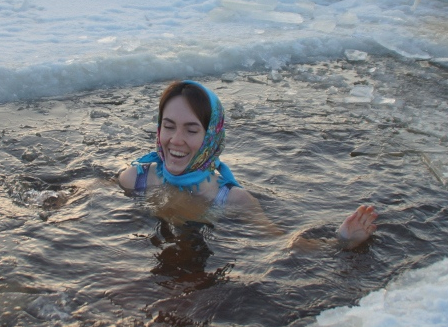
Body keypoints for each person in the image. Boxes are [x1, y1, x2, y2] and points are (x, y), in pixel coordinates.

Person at [118, 79, 378, 251]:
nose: (176, 140)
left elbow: (282, 244)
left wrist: (342, 242)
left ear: (211, 137)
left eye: (191, 130)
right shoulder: (135, 179)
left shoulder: (234, 200)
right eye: (169, 126)